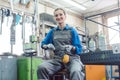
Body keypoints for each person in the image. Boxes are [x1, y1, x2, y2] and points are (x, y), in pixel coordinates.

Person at [37, 8, 84, 80]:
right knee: (41, 68)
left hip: (72, 59)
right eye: (56, 15)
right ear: (54, 18)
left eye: (61, 14)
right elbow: (43, 44)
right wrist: (46, 46)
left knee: (76, 71)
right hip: (58, 59)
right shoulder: (52, 31)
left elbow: (79, 48)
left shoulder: (72, 30)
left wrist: (73, 48)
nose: (58, 17)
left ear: (65, 16)